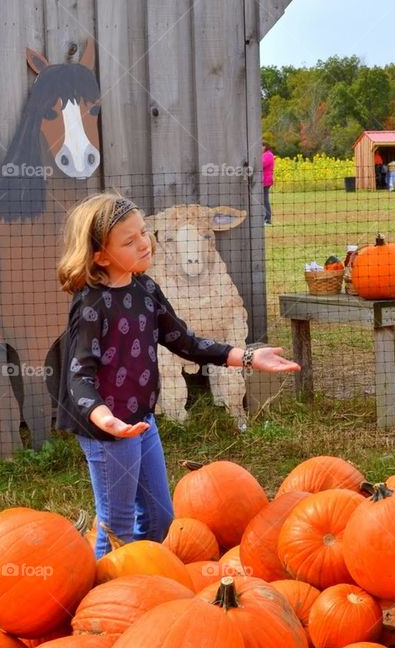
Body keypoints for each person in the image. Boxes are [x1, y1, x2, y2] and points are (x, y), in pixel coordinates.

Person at [55, 192, 299, 558]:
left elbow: (184, 342)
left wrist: (246, 356)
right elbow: (79, 375)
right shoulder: (91, 305)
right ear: (100, 256)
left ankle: (147, 582)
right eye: (129, 240)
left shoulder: (147, 289)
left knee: (159, 519)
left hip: (141, 419)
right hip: (106, 428)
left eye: (143, 233)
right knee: (116, 526)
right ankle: (101, 603)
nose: (144, 243)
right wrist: (104, 418)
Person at [261, 140, 275, 224]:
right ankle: (265, 217)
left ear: (265, 146)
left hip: (266, 180)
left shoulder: (268, 155)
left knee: (265, 199)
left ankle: (267, 218)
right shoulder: (264, 154)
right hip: (263, 180)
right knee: (262, 199)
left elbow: (261, 165)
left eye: (261, 146)